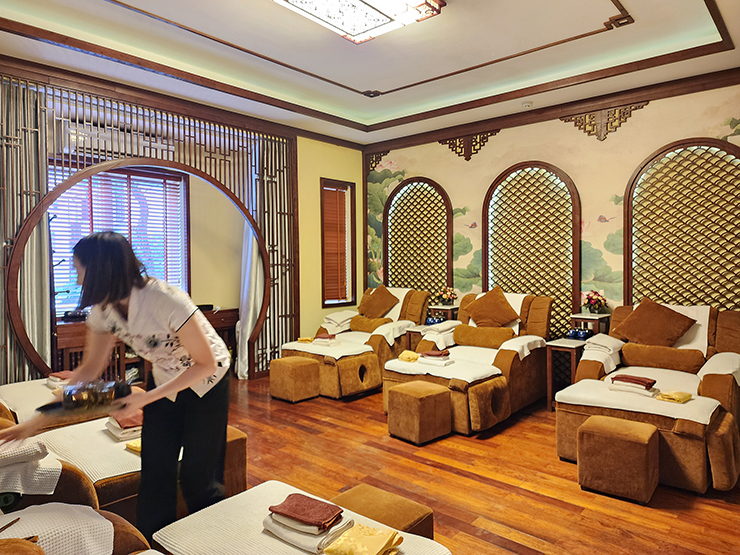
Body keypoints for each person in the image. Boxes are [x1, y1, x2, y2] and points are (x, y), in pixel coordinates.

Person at [0, 231, 232, 542]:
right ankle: (151, 543)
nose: (78, 280)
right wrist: (37, 421)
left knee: (198, 477)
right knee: (155, 470)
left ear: (100, 269)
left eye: (79, 270)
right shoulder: (103, 311)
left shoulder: (165, 299)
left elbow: (206, 363)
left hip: (207, 382)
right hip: (165, 378)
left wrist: (146, 397)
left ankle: (211, 541)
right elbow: (88, 370)